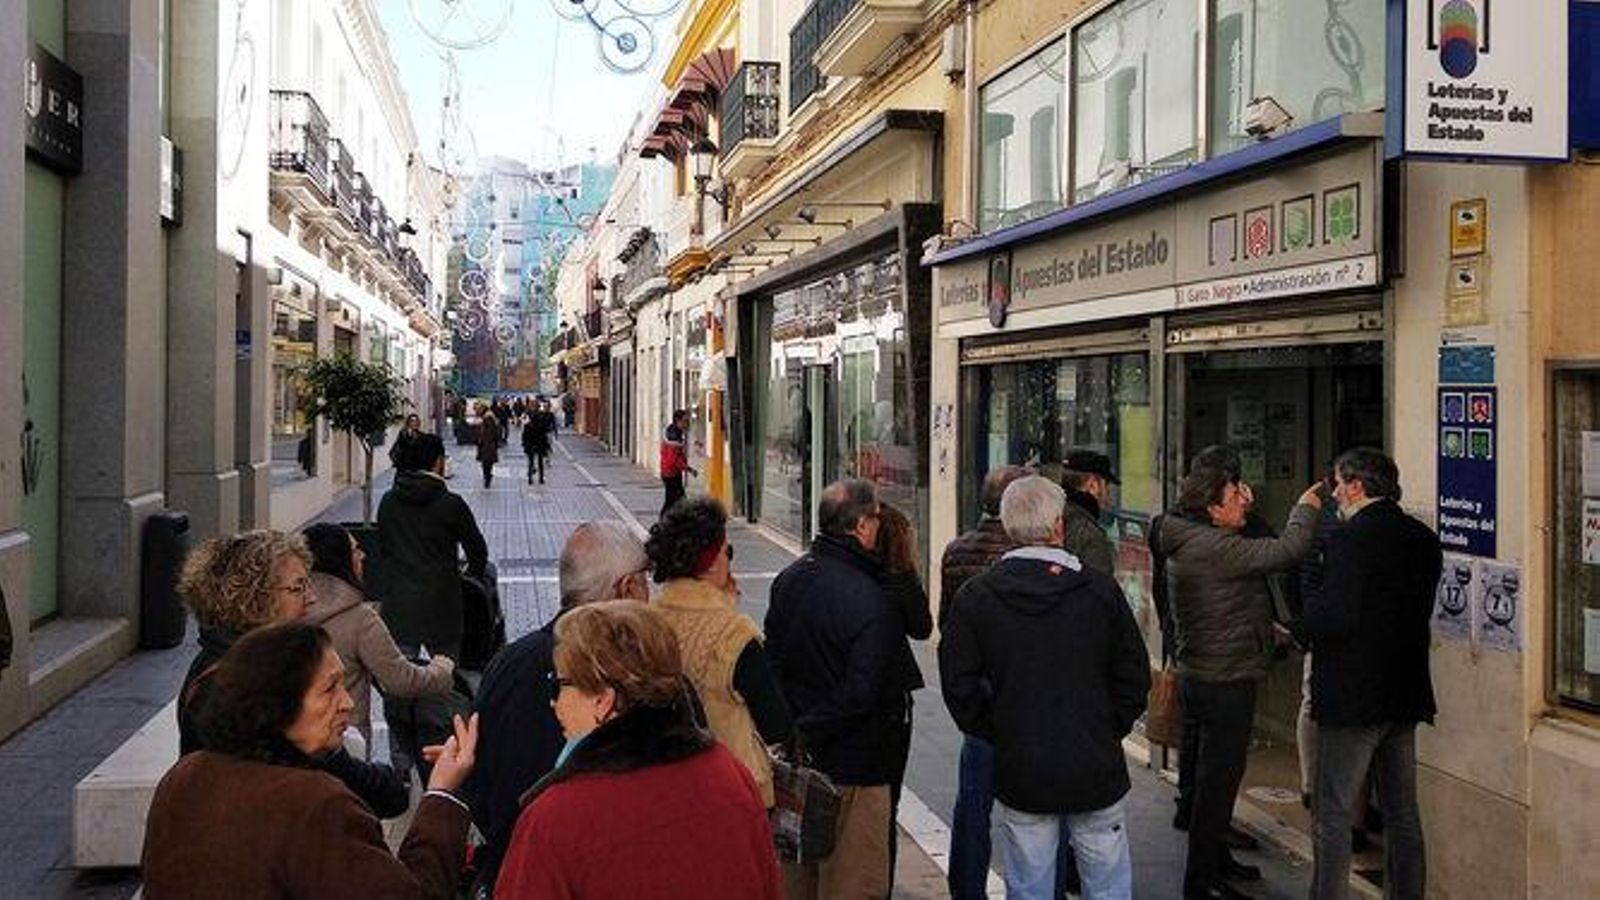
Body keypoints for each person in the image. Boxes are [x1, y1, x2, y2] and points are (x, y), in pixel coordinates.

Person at [141, 623, 479, 898]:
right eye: (330, 688)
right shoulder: (315, 804)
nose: (347, 702)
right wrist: (441, 795)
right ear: (277, 704)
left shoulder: (184, 776)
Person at [940, 475, 1150, 899]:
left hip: (1022, 765)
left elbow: (959, 686)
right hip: (1094, 762)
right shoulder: (1099, 591)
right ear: (1059, 525)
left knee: (1030, 881)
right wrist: (1108, 729)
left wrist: (997, 730)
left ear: (1006, 526)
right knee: (1107, 882)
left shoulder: (978, 597)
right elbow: (1133, 676)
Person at [494, 602, 782, 898]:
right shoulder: (731, 775)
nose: (553, 702)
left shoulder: (555, 819)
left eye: (558, 685)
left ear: (602, 701)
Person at [1283, 448, 1441, 900]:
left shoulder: (1350, 540)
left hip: (1354, 696)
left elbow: (1336, 616)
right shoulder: (1423, 539)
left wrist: (1292, 630)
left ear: (1356, 484)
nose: (1334, 494)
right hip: (1405, 690)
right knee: (1402, 812)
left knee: (1332, 812)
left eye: (1337, 484)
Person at [1161, 467, 1323, 899]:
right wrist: (1305, 509)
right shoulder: (1214, 547)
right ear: (1212, 509)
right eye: (1235, 495)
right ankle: (1201, 882)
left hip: (1209, 673)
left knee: (1213, 783)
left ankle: (1215, 863)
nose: (1244, 500)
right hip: (1223, 681)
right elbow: (1289, 549)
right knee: (1216, 787)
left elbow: (1227, 600)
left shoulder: (1193, 538)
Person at [464, 521, 652, 891]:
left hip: (513, 872)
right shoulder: (637, 677)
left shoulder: (508, 664)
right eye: (646, 580)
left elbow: (481, 785)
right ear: (627, 587)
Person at [177, 530, 409, 817]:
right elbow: (357, 784)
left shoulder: (220, 665)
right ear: (253, 597)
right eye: (298, 587)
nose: (311, 597)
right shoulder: (254, 682)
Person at [766, 479, 903, 899]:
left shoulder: (788, 579)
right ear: (861, 526)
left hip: (798, 765)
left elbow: (773, 662)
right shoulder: (870, 596)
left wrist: (796, 730)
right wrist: (810, 726)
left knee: (796, 881)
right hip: (856, 769)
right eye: (877, 519)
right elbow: (864, 690)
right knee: (853, 881)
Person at [648, 497, 792, 806]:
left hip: (664, 783)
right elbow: (776, 723)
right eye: (728, 550)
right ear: (712, 562)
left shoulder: (647, 621)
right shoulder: (734, 634)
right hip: (734, 788)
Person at [372, 436, 490, 782]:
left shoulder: (389, 502)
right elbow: (478, 554)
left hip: (399, 609)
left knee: (398, 688)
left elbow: (382, 550)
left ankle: (401, 765)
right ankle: (445, 755)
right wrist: (462, 575)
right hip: (443, 609)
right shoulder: (450, 504)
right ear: (437, 462)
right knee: (446, 686)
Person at [940, 465, 1028, 899]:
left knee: (972, 809)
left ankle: (966, 889)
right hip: (1026, 703)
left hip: (979, 703)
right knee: (1035, 813)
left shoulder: (957, 551)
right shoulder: (1028, 555)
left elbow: (946, 632)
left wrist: (966, 705)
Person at [301, 523, 454, 756]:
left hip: (296, 740)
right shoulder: (360, 618)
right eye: (354, 550)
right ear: (340, 561)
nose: (363, 555)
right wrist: (442, 668)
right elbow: (403, 680)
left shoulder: (286, 612)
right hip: (345, 742)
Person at [872, 500, 933, 889]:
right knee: (885, 805)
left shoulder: (842, 576)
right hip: (891, 703)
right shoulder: (898, 577)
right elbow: (922, 628)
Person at [1060, 449, 1119, 576]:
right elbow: (1101, 591)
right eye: (1106, 484)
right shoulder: (1090, 535)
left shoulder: (1050, 518)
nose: (1107, 493)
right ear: (1093, 484)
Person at [659, 409, 697, 515]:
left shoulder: (675, 432)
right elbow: (673, 460)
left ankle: (669, 521)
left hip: (670, 472)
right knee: (674, 500)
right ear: (678, 421)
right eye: (685, 421)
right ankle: (665, 522)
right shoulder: (673, 437)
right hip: (671, 474)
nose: (687, 424)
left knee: (673, 500)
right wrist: (688, 468)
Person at [522, 398, 558, 486]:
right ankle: (541, 478)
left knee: (531, 461)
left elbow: (525, 432)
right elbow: (545, 430)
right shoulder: (542, 417)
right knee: (540, 462)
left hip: (530, 443)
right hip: (540, 442)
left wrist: (524, 443)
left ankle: (530, 478)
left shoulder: (528, 417)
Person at [476, 407, 500, 489]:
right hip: (488, 445)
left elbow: (487, 433)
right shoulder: (489, 418)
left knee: (486, 463)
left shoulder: (488, 419)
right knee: (487, 463)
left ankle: (487, 478)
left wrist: (481, 440)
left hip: (487, 445)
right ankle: (488, 477)